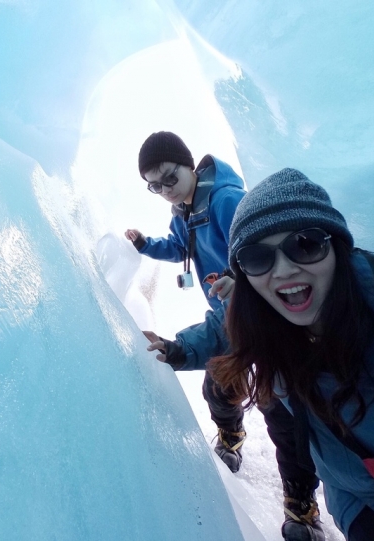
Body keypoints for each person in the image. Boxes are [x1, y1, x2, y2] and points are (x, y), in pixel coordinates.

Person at [146, 168, 374, 540]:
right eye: (257, 258)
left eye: (304, 245)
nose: (284, 269)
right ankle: (238, 442)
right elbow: (225, 323)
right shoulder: (269, 325)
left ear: (337, 246)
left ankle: (299, 506)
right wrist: (177, 349)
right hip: (372, 505)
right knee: (248, 405)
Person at [128, 132, 325, 541]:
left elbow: (262, 249)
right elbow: (178, 248)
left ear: (189, 165)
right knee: (218, 386)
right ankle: (232, 433)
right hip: (228, 317)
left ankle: (300, 507)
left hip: (269, 317)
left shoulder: (226, 201)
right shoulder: (183, 212)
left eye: (169, 177)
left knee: (281, 414)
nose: (165, 189)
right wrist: (147, 246)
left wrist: (244, 279)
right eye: (155, 185)